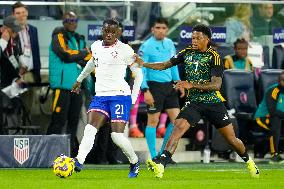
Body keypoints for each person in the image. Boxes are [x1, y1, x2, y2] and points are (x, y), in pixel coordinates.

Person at [135, 24, 260, 179]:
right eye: (192, 37)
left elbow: (216, 85)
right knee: (178, 127)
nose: (194, 40)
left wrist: (191, 84)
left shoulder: (214, 56)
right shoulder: (186, 52)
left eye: (198, 38)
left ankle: (249, 162)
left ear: (207, 39)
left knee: (231, 139)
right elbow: (164, 65)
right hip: (194, 102)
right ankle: (161, 164)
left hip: (213, 103)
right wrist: (143, 64)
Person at [71, 19, 143, 178]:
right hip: (101, 96)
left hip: (120, 96)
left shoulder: (125, 50)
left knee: (116, 137)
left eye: (113, 31)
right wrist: (79, 79)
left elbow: (138, 75)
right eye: (106, 31)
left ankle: (134, 161)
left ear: (118, 33)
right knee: (90, 128)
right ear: (102, 31)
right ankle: (78, 161)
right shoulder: (96, 46)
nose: (109, 34)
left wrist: (133, 98)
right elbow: (92, 63)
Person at [47, 11, 91, 157]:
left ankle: (71, 154)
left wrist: (81, 54)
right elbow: (65, 55)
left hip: (76, 88)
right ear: (63, 21)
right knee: (58, 121)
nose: (72, 22)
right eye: (69, 20)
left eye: (74, 20)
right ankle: (48, 153)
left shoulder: (78, 39)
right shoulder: (58, 36)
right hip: (61, 87)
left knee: (73, 123)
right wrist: (83, 52)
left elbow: (88, 59)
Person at [138, 17, 180, 159]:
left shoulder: (169, 44)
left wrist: (178, 82)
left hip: (169, 86)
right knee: (153, 122)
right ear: (152, 30)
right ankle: (153, 155)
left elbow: (173, 64)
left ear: (167, 30)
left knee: (177, 121)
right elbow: (141, 69)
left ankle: (162, 153)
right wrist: (145, 90)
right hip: (153, 87)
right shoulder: (146, 46)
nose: (161, 31)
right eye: (158, 28)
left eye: (163, 28)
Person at [254, 71, 284, 164]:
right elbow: (273, 111)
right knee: (276, 121)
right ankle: (274, 154)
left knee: (277, 120)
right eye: (283, 80)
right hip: (263, 118)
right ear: (279, 81)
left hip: (280, 117)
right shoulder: (273, 91)